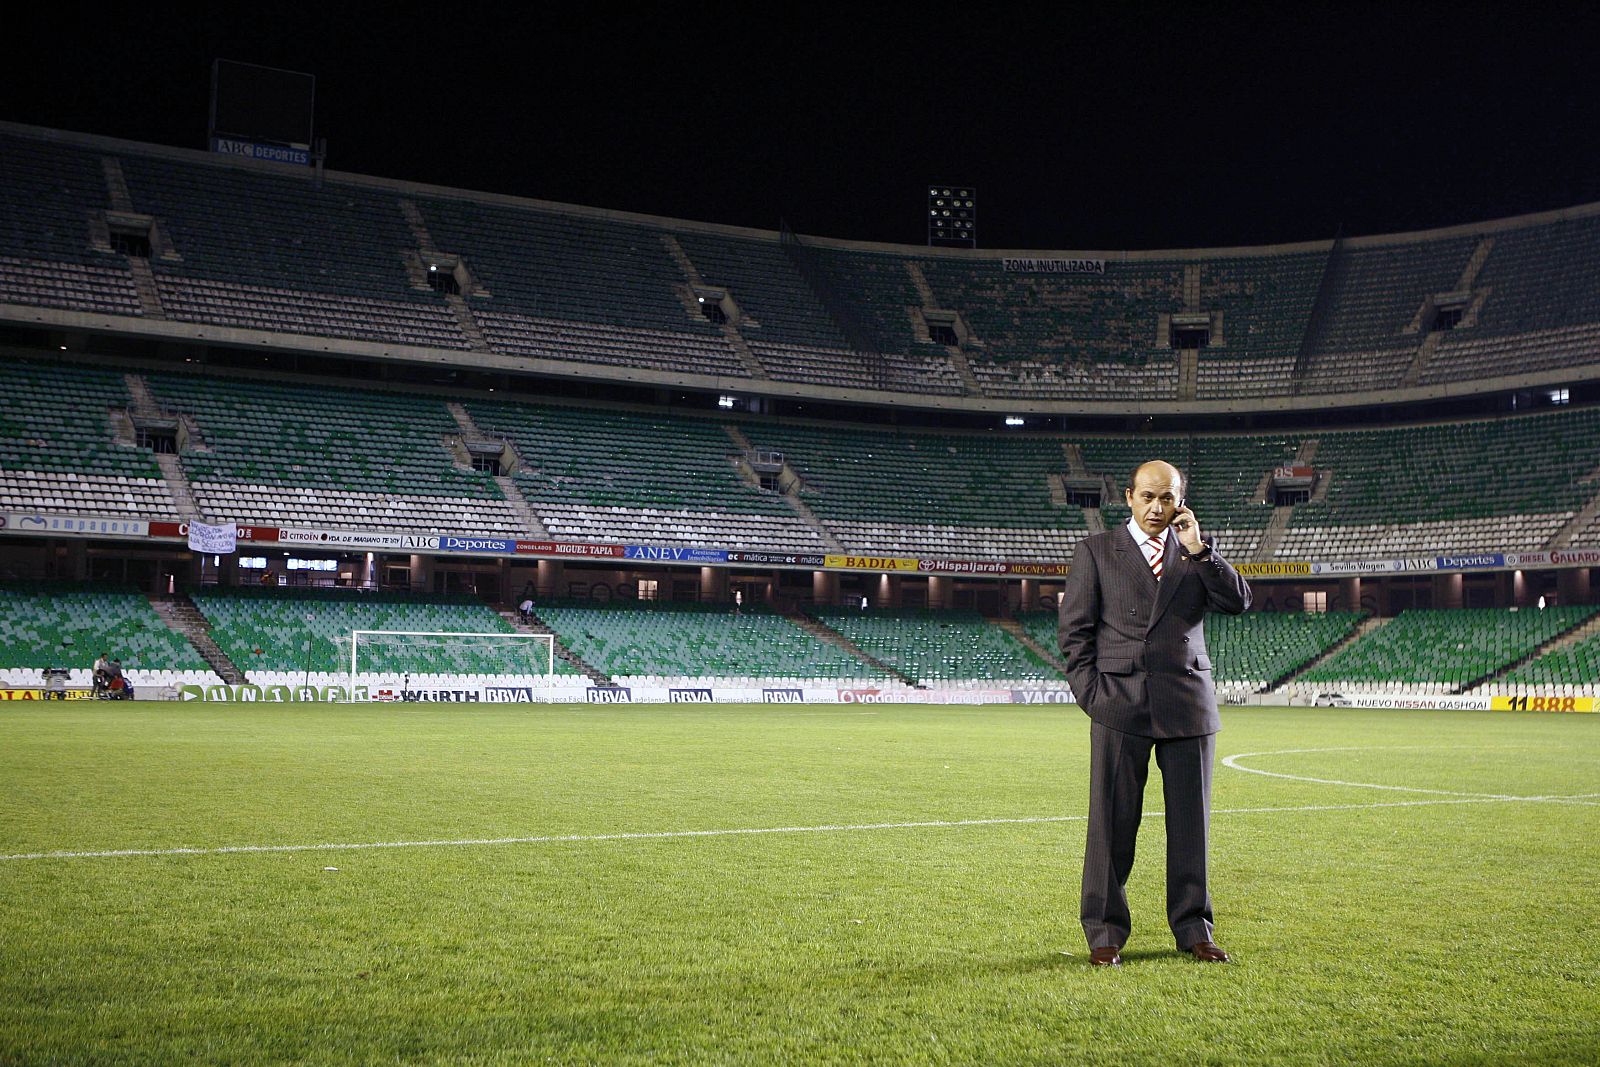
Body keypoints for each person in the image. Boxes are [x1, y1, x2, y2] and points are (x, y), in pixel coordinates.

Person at [1058, 460, 1251, 967]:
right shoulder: (1096, 551)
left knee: (1191, 826)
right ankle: (1104, 933)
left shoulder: (1195, 551)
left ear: (1180, 501)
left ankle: (1194, 929)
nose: (1157, 507)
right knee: (1112, 823)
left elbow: (1238, 602)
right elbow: (1074, 636)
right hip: (1120, 702)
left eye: (1167, 498)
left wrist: (1200, 549)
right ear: (1129, 497)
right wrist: (1095, 697)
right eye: (1148, 496)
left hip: (1187, 702)